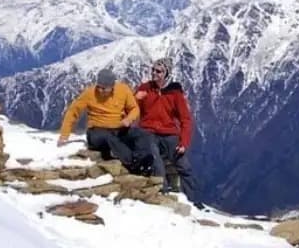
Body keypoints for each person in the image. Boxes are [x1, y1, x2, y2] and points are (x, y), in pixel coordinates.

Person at [56, 68, 159, 176]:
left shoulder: (123, 90)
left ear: (112, 86)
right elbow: (73, 111)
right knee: (110, 138)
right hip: (96, 131)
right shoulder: (89, 93)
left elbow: (134, 108)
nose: (101, 90)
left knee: (142, 134)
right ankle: (133, 164)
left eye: (104, 88)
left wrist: (128, 119)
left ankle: (143, 160)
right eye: (99, 87)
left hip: (118, 127)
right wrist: (64, 135)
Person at [135, 57, 196, 194]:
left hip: (169, 133)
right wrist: (136, 99)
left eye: (159, 71)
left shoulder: (175, 93)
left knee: (183, 166)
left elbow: (185, 119)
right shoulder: (145, 89)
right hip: (148, 131)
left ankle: (195, 200)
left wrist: (183, 143)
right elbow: (131, 109)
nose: (154, 73)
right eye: (153, 70)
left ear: (167, 74)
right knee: (155, 159)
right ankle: (163, 193)